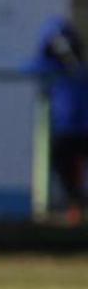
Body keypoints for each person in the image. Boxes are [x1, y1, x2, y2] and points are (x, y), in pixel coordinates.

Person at [24, 16, 88, 225]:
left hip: (83, 128)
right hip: (66, 131)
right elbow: (30, 68)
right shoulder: (51, 69)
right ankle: (75, 206)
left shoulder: (81, 70)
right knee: (64, 166)